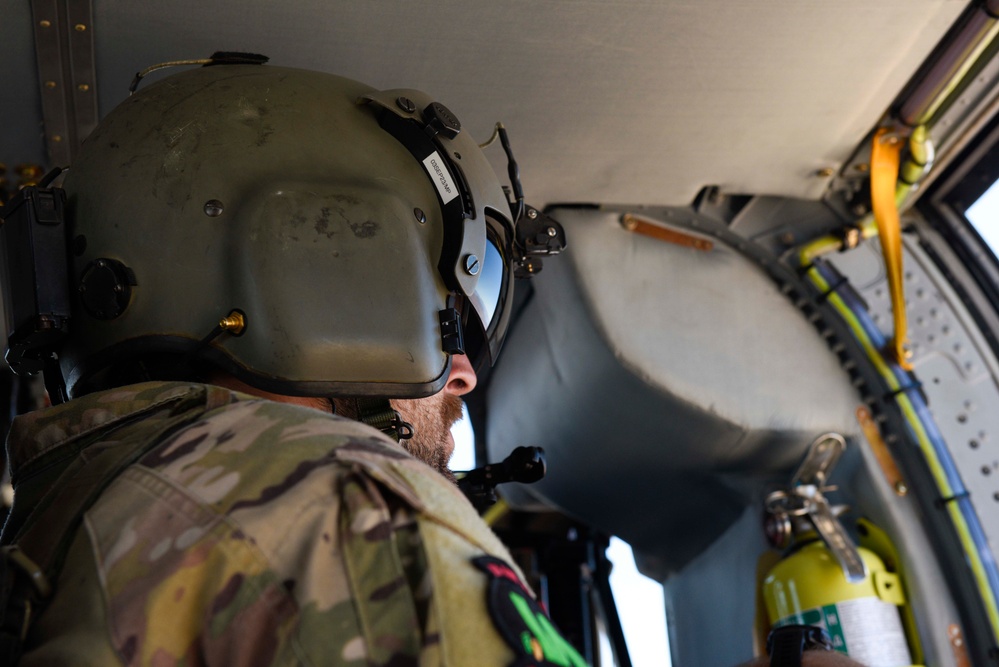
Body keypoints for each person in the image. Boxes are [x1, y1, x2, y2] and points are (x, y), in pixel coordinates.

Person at [0, 56, 582, 666]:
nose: (463, 374)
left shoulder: (65, 511)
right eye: (457, 316)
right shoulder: (351, 507)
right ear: (320, 263)